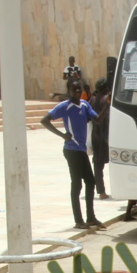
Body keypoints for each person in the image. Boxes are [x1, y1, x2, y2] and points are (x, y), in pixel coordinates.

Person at [41, 78, 105, 230]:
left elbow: (98, 120)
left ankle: (90, 217)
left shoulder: (85, 105)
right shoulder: (64, 106)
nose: (77, 91)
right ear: (69, 90)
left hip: (81, 150)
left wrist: (107, 105)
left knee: (90, 182)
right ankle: (79, 220)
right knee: (77, 184)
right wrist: (62, 135)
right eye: (74, 89)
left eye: (79, 89)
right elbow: (45, 120)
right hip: (71, 149)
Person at [89, 77, 111, 199]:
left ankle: (101, 191)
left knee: (98, 165)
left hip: (96, 135)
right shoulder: (104, 100)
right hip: (104, 136)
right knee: (100, 164)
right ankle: (101, 192)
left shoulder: (92, 99)